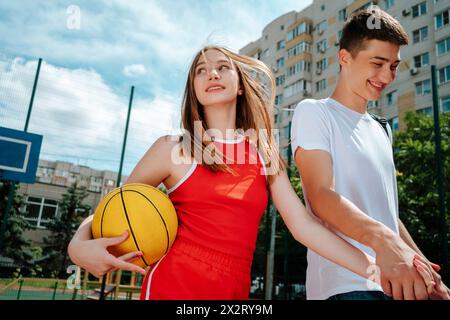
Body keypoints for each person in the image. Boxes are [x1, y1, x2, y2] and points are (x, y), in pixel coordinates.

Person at [67, 45, 434, 300]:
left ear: (240, 85)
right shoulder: (173, 147)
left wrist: (376, 269)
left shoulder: (264, 150)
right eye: (201, 70)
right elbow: (116, 208)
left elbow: (304, 226)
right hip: (174, 284)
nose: (211, 73)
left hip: (235, 289)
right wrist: (78, 245)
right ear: (194, 89)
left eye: (222, 67)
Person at [291, 7, 449, 300]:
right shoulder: (315, 112)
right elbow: (321, 194)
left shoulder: (381, 129)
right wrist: (384, 240)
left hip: (399, 284)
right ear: (345, 58)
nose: (387, 76)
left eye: (393, 65)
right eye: (377, 63)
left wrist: (422, 266)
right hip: (346, 286)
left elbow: (387, 214)